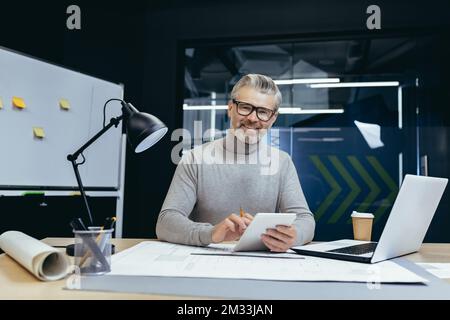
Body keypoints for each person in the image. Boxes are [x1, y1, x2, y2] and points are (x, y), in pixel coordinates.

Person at [156, 74, 315, 252]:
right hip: (207, 260)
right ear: (230, 108)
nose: (253, 118)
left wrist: (294, 236)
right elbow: (166, 222)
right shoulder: (195, 159)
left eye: (263, 112)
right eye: (245, 107)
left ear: (273, 119)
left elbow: (305, 220)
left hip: (263, 264)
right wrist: (210, 233)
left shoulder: (281, 162)